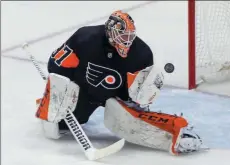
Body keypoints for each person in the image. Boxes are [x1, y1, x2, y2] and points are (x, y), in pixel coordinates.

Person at [35, 10, 204, 155]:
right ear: (110, 32)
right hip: (82, 91)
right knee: (57, 127)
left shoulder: (142, 54)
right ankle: (46, 104)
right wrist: (60, 93)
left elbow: (138, 99)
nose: (127, 41)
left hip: (117, 97)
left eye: (130, 36)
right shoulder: (85, 38)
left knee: (128, 123)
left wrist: (146, 93)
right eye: (123, 36)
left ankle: (178, 133)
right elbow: (55, 65)